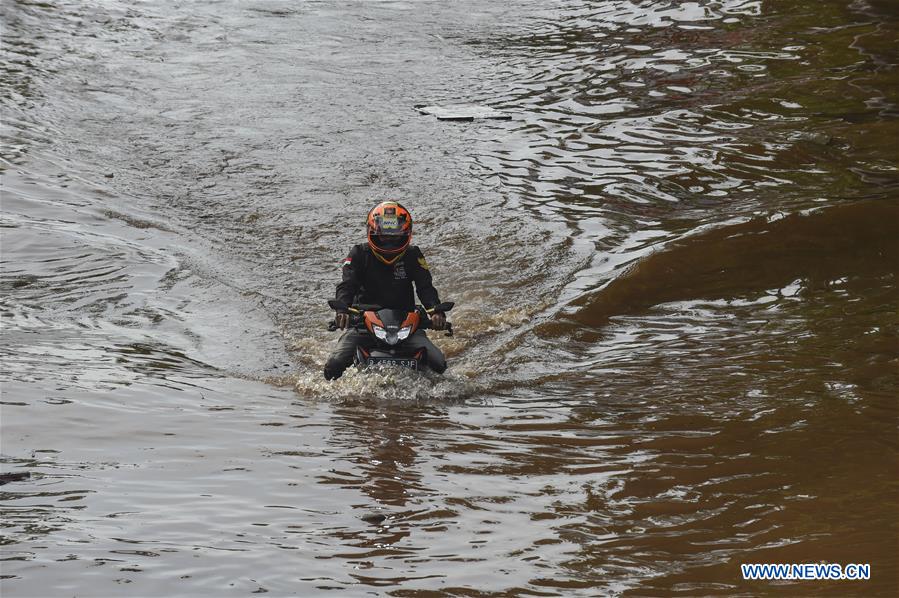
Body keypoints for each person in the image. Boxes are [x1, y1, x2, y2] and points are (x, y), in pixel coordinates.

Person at [324, 201, 448, 380]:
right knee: (333, 366)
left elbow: (425, 288)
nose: (389, 241)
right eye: (384, 237)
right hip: (363, 324)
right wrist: (342, 309)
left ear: (406, 234)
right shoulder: (359, 253)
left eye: (395, 237)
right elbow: (347, 285)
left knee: (439, 364)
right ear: (372, 233)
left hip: (406, 324)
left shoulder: (414, 255)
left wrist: (436, 311)